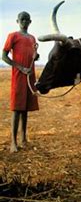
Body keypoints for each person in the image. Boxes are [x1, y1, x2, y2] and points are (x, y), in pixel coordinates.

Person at [2, 11, 39, 153]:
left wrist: (35, 57)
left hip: (30, 75)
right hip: (18, 75)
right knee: (17, 108)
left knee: (25, 108)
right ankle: (13, 142)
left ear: (30, 22)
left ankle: (23, 139)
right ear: (17, 21)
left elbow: (32, 56)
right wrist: (20, 67)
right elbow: (4, 56)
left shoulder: (32, 38)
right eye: (22, 19)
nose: (24, 22)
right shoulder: (13, 36)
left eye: (27, 19)